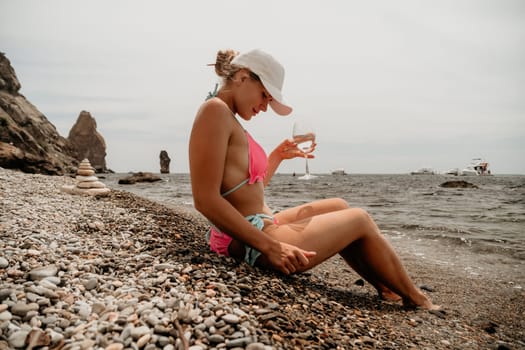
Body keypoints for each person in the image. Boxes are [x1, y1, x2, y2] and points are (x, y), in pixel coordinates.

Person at [189, 49, 438, 310]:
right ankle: (416, 298)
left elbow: (246, 191)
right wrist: (273, 248)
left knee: (340, 206)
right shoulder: (214, 111)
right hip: (251, 239)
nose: (265, 106)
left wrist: (277, 157)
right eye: (265, 95)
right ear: (242, 77)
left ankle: (386, 287)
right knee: (359, 219)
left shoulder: (227, 116)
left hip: (256, 226)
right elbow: (205, 199)